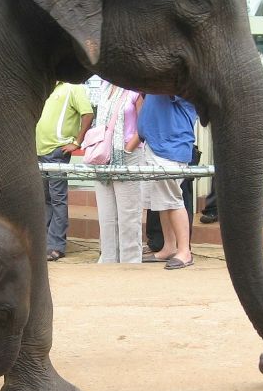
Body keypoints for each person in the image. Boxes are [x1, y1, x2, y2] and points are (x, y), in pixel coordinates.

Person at [138, 94, 197, 270]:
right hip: (156, 147)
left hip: (170, 149)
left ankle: (184, 251)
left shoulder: (177, 82)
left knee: (173, 200)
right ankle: (169, 247)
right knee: (162, 202)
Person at [35, 81, 93, 262]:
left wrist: (77, 142)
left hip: (57, 151)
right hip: (39, 151)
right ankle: (45, 243)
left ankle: (56, 246)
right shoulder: (48, 87)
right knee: (46, 199)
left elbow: (88, 114)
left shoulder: (73, 87)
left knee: (58, 199)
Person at [91, 80, 144, 263]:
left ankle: (130, 262)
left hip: (128, 156)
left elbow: (143, 127)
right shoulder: (103, 87)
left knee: (129, 215)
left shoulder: (136, 89)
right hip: (103, 157)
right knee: (106, 216)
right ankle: (108, 260)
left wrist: (127, 149)